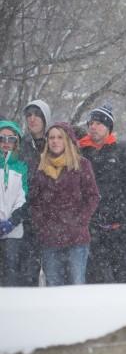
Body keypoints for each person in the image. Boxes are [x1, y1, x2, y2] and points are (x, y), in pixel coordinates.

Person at [79, 104, 126, 284]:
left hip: (121, 226)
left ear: (108, 128)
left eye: (98, 123)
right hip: (92, 225)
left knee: (124, 276)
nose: (93, 127)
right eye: (90, 123)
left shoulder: (122, 149)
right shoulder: (82, 152)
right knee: (97, 278)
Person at [29, 122, 99, 285]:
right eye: (52, 137)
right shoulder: (40, 166)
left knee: (77, 284)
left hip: (77, 237)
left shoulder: (82, 164)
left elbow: (93, 196)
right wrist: (43, 224)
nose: (55, 141)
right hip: (50, 238)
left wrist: (80, 220)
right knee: (54, 284)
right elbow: (34, 201)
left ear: (67, 140)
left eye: (60, 137)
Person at [17, 99, 51, 288]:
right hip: (26, 218)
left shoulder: (56, 142)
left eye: (37, 114)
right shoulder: (20, 146)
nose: (32, 119)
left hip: (53, 218)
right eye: (29, 115)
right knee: (28, 271)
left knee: (55, 272)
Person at [0, 120, 29, 286]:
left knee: (11, 275)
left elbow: (24, 197)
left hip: (13, 231)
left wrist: (12, 221)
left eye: (11, 139)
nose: (6, 143)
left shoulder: (22, 166)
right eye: (2, 138)